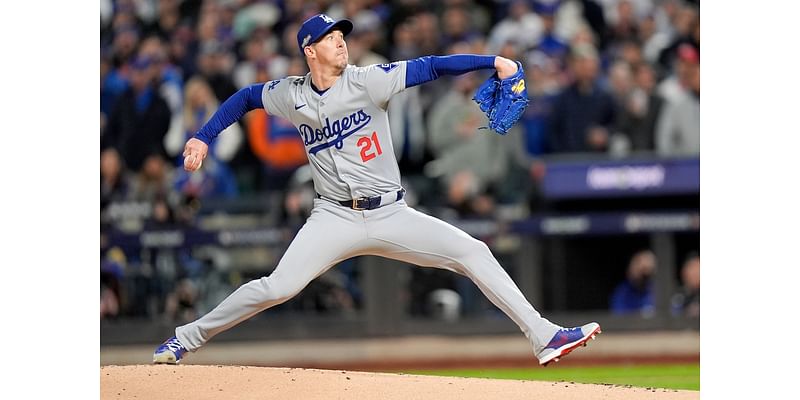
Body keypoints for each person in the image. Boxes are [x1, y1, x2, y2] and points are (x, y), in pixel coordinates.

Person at [153, 13, 600, 367]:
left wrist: (493, 61)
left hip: (390, 213)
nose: (341, 40)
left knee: (473, 252)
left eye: (341, 35)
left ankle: (543, 336)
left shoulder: (369, 80)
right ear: (310, 51)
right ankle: (184, 338)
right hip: (332, 217)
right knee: (277, 287)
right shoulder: (291, 95)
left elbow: (431, 67)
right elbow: (245, 98)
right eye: (330, 37)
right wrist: (203, 136)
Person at [610, 249, 657, 316]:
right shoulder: (622, 293)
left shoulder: (661, 291)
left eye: (646, 270)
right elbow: (619, 318)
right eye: (639, 268)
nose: (642, 273)